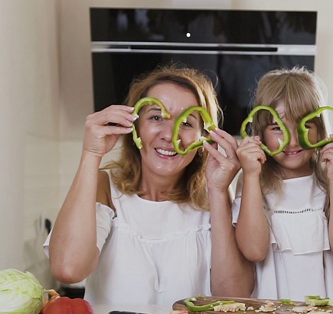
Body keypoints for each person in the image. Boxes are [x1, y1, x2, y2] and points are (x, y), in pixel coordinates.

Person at [44, 65, 254, 306]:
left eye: (186, 123)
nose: (170, 135)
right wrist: (91, 153)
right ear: (135, 126)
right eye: (156, 117)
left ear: (203, 136)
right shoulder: (105, 186)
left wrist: (217, 193)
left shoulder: (214, 195)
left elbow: (233, 297)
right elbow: (68, 269)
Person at [233, 67, 333, 303]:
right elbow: (254, 250)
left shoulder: (329, 177)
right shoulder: (253, 179)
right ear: (260, 132)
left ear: (320, 128)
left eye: (305, 125)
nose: (292, 140)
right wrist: (250, 176)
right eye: (276, 127)